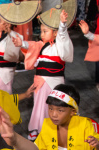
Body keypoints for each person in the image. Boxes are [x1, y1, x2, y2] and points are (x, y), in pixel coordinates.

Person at [12, 2, 76, 141]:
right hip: (40, 82)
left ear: (55, 33)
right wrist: (21, 44)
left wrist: (62, 26)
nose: (41, 34)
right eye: (41, 31)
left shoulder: (60, 44)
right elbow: (31, 45)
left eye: (45, 31)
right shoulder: (41, 45)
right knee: (39, 105)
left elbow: (63, 38)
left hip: (55, 81)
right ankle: (36, 128)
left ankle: (52, 129)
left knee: (54, 106)